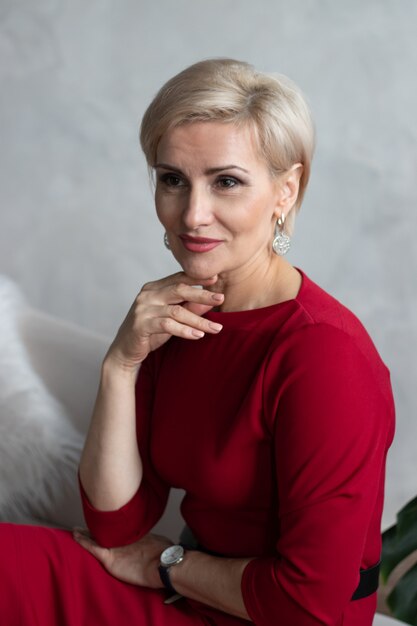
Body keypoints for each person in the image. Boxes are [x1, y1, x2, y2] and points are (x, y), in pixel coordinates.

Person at [0, 59, 395, 626]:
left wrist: (166, 564)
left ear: (288, 189)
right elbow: (116, 525)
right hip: (193, 593)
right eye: (173, 179)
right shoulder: (177, 315)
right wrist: (121, 363)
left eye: (226, 181)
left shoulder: (324, 356)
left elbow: (310, 606)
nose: (192, 214)